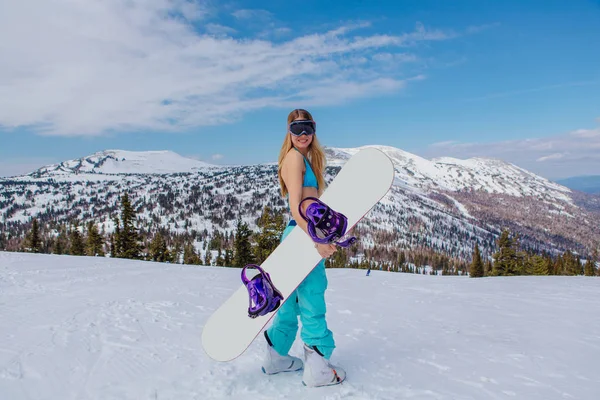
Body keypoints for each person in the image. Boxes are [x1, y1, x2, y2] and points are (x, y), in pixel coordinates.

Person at [261, 109, 346, 387]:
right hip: (302, 234)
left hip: (298, 234)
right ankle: (318, 368)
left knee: (289, 299)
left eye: (307, 127)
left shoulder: (305, 159)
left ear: (314, 128)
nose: (302, 134)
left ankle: (276, 356)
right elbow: (296, 207)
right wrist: (317, 240)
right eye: (296, 128)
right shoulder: (294, 158)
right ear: (288, 131)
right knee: (312, 295)